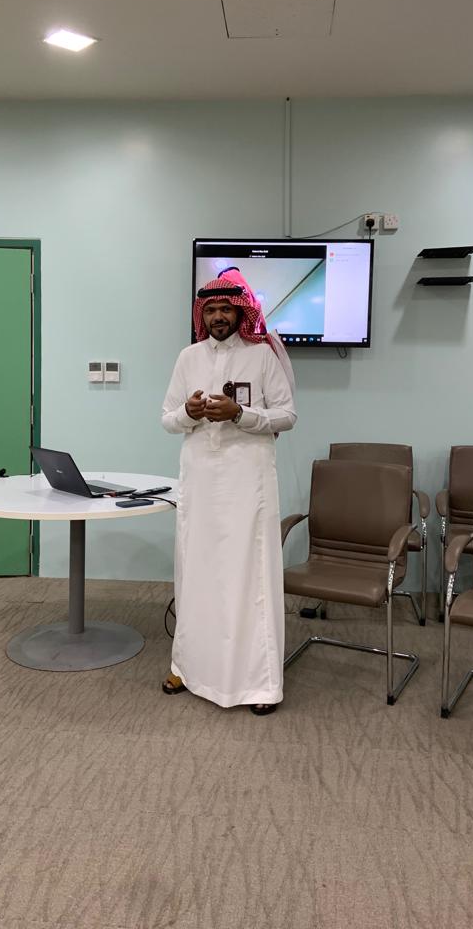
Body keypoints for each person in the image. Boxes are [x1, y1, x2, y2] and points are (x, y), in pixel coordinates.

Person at [161, 271, 297, 715]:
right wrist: (188, 412)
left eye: (226, 309)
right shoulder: (188, 357)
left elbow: (287, 415)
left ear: (240, 313)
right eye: (211, 310)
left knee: (248, 576)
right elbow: (167, 419)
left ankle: (259, 684)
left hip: (248, 482)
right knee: (197, 571)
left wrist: (241, 414)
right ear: (202, 315)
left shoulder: (262, 356)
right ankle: (187, 667)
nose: (218, 316)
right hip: (200, 479)